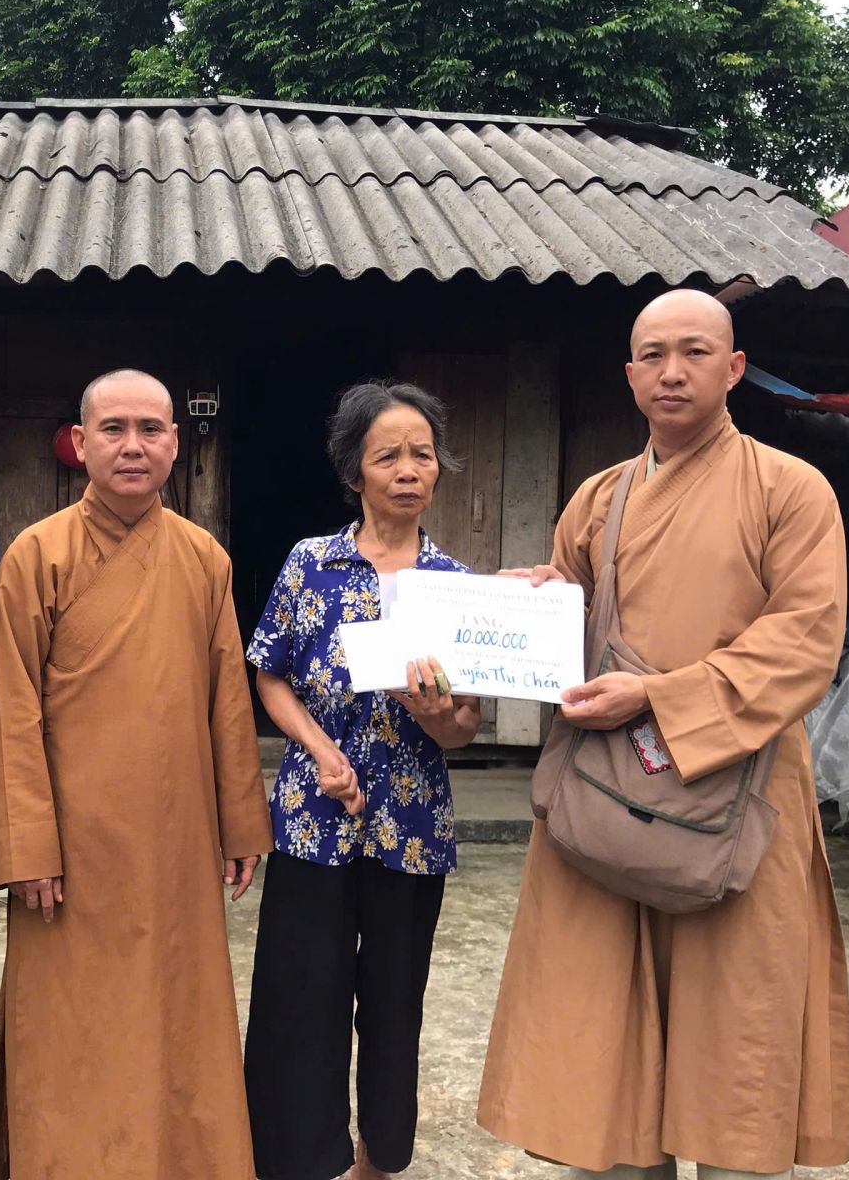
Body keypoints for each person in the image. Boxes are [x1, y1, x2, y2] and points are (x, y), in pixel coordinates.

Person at [477, 290, 849, 1179]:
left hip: (739, 795)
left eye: (694, 352)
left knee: (735, 1050)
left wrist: (657, 697)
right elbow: (573, 635)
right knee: (602, 1051)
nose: (672, 372)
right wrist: (528, 614)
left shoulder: (790, 490)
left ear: (735, 368)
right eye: (653, 355)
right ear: (631, 374)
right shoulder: (597, 498)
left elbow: (805, 642)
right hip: (604, 797)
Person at [0, 368, 273, 1179]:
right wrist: (27, 845)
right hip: (71, 853)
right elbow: (10, 709)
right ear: (80, 443)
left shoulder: (204, 559)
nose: (132, 446)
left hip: (175, 840)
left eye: (150, 429)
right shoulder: (37, 555)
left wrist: (241, 822)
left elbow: (228, 699)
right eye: (113, 429)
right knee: (71, 1025)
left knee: (175, 1015)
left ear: (176, 443)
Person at [242, 381, 482, 1180]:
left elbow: (464, 726)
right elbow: (269, 674)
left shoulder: (453, 585)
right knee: (299, 995)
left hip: (411, 828)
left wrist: (438, 716)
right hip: (313, 815)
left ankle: (376, 1161)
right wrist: (319, 750)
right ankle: (295, 1160)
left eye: (423, 455)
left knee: (393, 1001)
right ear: (355, 472)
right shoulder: (311, 564)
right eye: (389, 457)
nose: (409, 470)